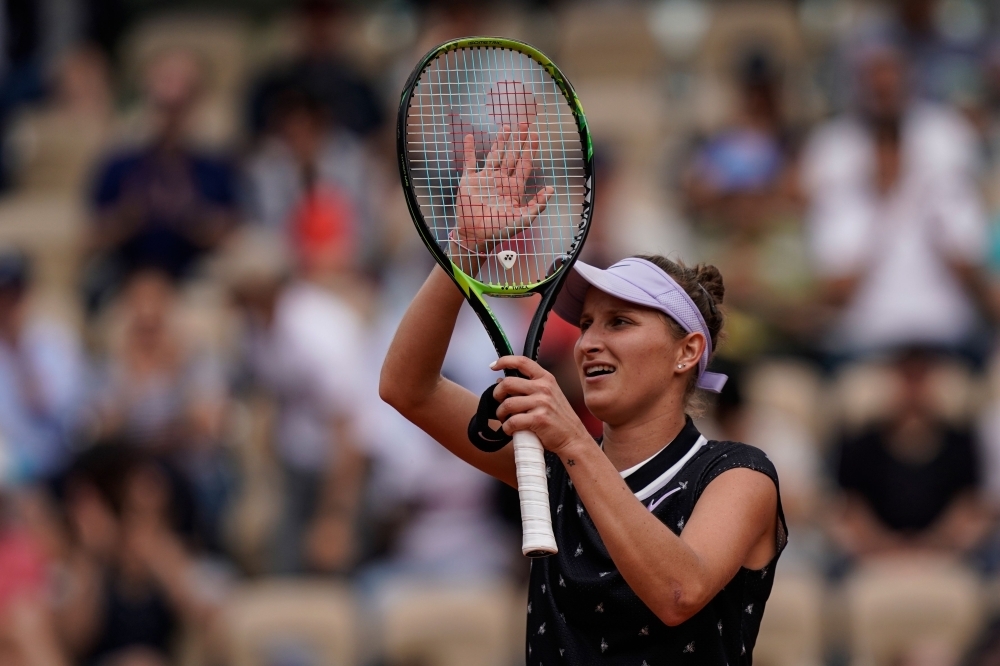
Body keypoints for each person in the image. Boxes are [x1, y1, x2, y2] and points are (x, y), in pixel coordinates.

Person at [380, 128, 787, 663]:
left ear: (687, 352)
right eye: (587, 323)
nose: (589, 341)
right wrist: (464, 252)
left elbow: (677, 593)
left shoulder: (740, 475)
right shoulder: (558, 469)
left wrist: (572, 440)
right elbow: (406, 388)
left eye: (619, 322)